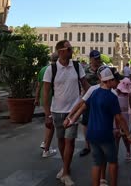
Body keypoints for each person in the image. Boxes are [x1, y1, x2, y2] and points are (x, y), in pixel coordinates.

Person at [65, 66, 131, 186]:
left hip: (92, 134)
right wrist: (128, 135)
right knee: (112, 162)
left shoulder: (94, 93)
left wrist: (71, 118)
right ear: (109, 81)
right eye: (115, 80)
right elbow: (119, 118)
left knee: (96, 163)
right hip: (105, 134)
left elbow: (83, 106)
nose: (117, 82)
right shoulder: (112, 96)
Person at [42, 40, 90, 186]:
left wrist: (94, 95)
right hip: (56, 111)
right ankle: (65, 167)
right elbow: (46, 92)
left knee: (70, 141)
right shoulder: (51, 69)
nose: (72, 51)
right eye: (69, 49)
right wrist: (47, 114)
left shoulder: (77, 66)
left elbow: (86, 85)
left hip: (73, 111)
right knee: (61, 141)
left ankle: (66, 173)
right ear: (61, 51)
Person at [80, 50, 104, 157]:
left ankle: (100, 143)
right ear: (91, 59)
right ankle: (87, 145)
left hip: (101, 99)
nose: (98, 60)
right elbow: (82, 83)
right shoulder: (85, 70)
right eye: (95, 58)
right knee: (85, 122)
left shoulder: (104, 69)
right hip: (88, 99)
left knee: (101, 121)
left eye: (98, 58)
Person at [35, 53, 58, 158]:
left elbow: (38, 86)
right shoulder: (56, 70)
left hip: (44, 100)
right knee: (51, 124)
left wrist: (36, 98)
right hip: (52, 100)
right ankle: (46, 149)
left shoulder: (43, 69)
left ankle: (45, 142)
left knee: (49, 122)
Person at [115, 77, 131, 162]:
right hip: (116, 116)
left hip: (125, 117)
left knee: (125, 136)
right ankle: (115, 154)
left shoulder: (128, 95)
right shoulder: (115, 93)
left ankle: (128, 150)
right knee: (116, 136)